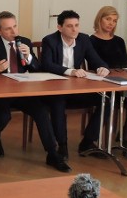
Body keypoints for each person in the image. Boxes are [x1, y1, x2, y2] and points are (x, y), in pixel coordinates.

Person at [0, 11, 69, 172]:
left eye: (15, 26)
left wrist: (30, 59)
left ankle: (52, 154)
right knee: (4, 115)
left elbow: (37, 68)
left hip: (21, 90)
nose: (14, 32)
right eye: (8, 29)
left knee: (41, 112)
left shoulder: (24, 42)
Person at [40, 10, 110, 159]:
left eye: (77, 25)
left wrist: (101, 67)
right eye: (70, 26)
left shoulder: (84, 39)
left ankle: (88, 141)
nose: (75, 29)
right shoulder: (50, 40)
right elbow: (46, 64)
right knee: (58, 102)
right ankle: (62, 145)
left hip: (77, 89)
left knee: (107, 100)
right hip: (55, 88)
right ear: (60, 27)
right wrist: (70, 71)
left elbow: (95, 59)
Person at [90, 5, 127, 160]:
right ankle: (123, 141)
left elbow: (126, 63)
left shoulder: (119, 41)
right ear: (99, 19)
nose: (111, 23)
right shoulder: (91, 40)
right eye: (108, 19)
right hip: (102, 83)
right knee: (117, 98)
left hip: (122, 81)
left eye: (114, 21)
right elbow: (95, 64)